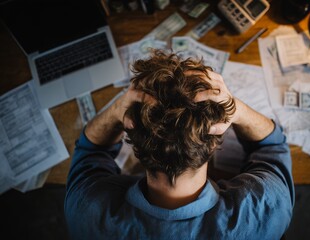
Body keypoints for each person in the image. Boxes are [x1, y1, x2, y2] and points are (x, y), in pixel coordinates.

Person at [64, 50, 294, 240]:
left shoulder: (86, 211)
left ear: (132, 138)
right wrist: (235, 108)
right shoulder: (265, 210)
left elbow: (90, 150)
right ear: (214, 142)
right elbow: (271, 147)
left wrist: (116, 110)